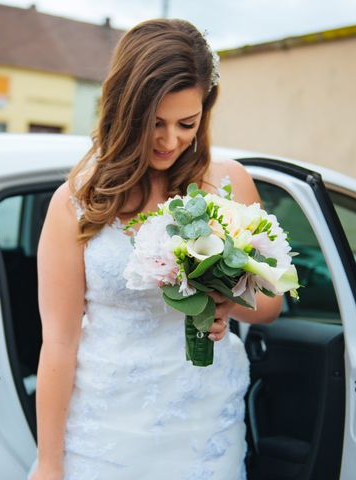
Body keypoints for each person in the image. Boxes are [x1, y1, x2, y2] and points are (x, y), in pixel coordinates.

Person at [32, 18, 282, 480]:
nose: (170, 141)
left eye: (187, 123)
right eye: (155, 124)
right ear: (125, 113)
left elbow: (269, 305)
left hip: (202, 425)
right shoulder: (75, 204)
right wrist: (49, 462)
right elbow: (60, 342)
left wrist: (228, 297)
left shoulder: (229, 185)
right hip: (106, 427)